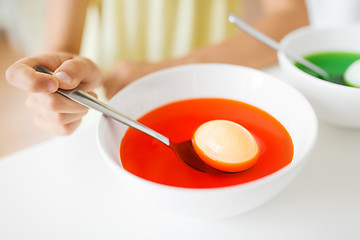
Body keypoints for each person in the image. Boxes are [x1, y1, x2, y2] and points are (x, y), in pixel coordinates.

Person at [5, 0, 308, 135]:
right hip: (108, 106)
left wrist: (174, 68)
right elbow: (60, 50)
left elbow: (292, 19)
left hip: (210, 96)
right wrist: (56, 89)